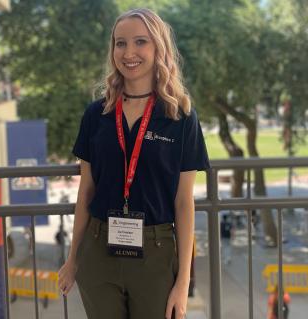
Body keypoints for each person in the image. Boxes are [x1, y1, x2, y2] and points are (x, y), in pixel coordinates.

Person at [58, 8, 210, 319]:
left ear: (158, 47)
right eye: (120, 43)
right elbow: (86, 192)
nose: (128, 53)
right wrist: (73, 259)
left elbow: (184, 203)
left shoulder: (180, 116)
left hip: (156, 254)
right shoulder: (96, 114)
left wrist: (183, 282)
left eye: (140, 42)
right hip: (98, 251)